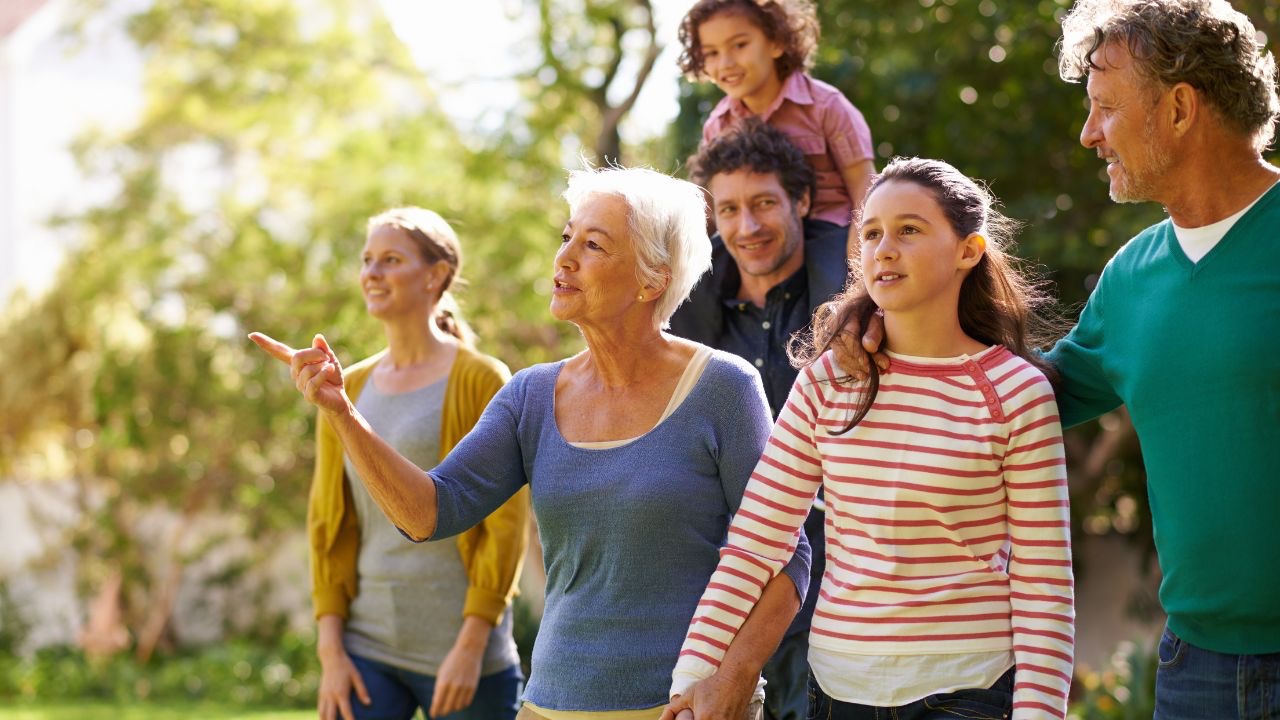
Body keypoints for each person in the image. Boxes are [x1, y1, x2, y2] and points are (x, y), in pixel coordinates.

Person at [838, 2, 1280, 718]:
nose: (1088, 133)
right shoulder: (1134, 275)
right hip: (1196, 668)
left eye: (1106, 107)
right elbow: (1023, 393)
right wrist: (886, 330)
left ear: (1178, 109)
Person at [252, 167, 811, 720]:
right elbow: (428, 513)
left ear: (651, 280)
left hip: (685, 705)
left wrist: (734, 678)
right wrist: (344, 412)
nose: (564, 258)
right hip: (549, 703)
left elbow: (789, 555)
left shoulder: (723, 388)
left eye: (593, 245)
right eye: (566, 237)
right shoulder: (530, 396)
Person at [667, 157, 1075, 720]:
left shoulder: (1016, 392)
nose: (884, 249)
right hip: (837, 693)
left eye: (909, 230)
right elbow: (757, 542)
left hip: (969, 691)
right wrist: (693, 675)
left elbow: (1043, 584)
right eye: (872, 233)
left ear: (968, 251)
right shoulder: (828, 380)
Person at [305, 207, 529, 720]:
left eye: (390, 259)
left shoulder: (481, 379)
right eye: (367, 260)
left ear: (435, 275)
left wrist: (472, 646)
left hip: (463, 653)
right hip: (367, 650)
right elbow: (329, 524)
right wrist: (330, 649)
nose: (372, 272)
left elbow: (505, 525)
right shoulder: (346, 387)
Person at [667, 118, 845, 720]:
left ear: (801, 200)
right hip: (719, 594)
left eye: (764, 203)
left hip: (836, 587)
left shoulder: (853, 306)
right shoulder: (687, 319)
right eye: (729, 209)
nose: (747, 226)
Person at [678, 0, 876, 243]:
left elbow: (864, 186)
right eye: (712, 53)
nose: (726, 63)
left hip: (827, 232)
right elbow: (709, 207)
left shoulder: (826, 107)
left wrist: (858, 251)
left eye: (739, 45)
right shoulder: (719, 126)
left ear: (777, 42)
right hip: (754, 233)